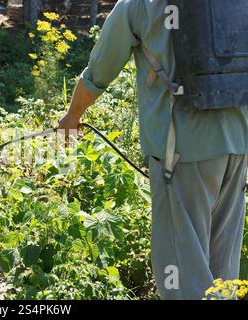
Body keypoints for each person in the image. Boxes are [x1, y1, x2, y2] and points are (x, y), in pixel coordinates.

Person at [58, 0, 248, 299]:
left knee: (180, 276)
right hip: (238, 146)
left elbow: (99, 70)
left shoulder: (139, 5)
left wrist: (73, 115)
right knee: (221, 272)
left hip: (182, 151)